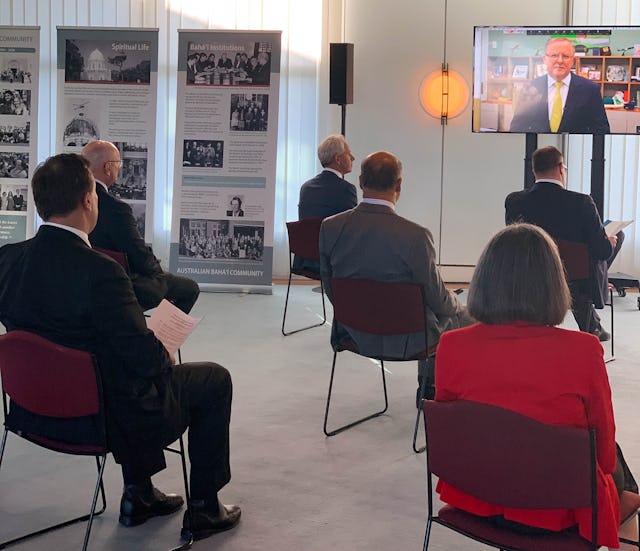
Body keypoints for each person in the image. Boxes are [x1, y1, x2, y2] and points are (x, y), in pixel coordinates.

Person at [0, 153, 241, 541]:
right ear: (88, 200)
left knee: (114, 366)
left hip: (33, 410)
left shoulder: (7, 259)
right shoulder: (101, 271)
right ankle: (204, 510)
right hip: (102, 415)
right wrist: (163, 344)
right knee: (213, 380)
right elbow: (146, 362)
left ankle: (139, 494)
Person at [434, 223, 637, 550]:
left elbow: (452, 432)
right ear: (553, 283)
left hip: (476, 499)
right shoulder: (583, 350)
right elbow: (602, 457)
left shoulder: (452, 345)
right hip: (558, 512)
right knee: (621, 471)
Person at [319, 151, 472, 399]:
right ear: (399, 185)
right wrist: (455, 301)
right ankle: (430, 388)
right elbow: (438, 301)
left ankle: (429, 386)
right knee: (466, 315)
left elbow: (331, 288)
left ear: (360, 182)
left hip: (354, 333)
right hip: (410, 340)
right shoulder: (415, 236)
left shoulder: (330, 227)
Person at [505, 145, 621, 341]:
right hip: (575, 278)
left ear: (534, 170)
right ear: (561, 168)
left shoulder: (514, 201)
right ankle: (590, 323)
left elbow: (514, 241)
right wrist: (609, 242)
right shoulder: (582, 202)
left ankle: (589, 320)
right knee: (603, 247)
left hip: (529, 273)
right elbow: (601, 252)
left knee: (573, 262)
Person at [82, 140, 200, 314]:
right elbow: (137, 254)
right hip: (119, 283)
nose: (119, 168)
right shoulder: (115, 208)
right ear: (108, 168)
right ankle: (157, 339)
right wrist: (158, 273)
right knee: (189, 288)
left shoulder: (70, 200)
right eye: (118, 163)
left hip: (82, 279)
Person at [509, 37, 610, 134]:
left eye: (566, 56)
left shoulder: (591, 90)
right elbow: (517, 127)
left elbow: (601, 130)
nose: (560, 61)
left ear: (573, 61)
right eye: (554, 55)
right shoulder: (530, 87)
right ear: (544, 59)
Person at [293, 134, 357, 273]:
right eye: (349, 154)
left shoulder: (306, 187)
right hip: (333, 258)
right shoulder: (346, 189)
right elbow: (351, 229)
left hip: (307, 257)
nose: (353, 158)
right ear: (338, 159)